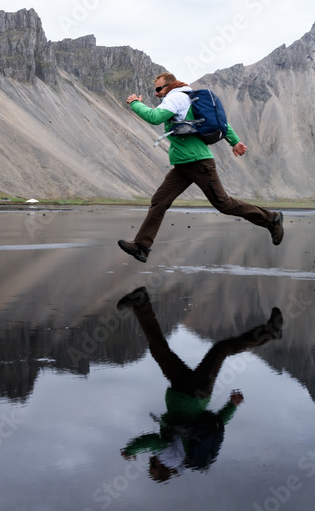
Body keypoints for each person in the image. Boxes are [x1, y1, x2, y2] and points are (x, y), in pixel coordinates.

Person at [116, 286, 283, 479]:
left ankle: (141, 302)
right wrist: (131, 449)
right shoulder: (171, 457)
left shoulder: (186, 453)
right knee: (219, 350)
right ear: (162, 468)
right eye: (152, 467)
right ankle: (270, 332)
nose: (150, 463)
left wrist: (232, 406)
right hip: (193, 393)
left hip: (184, 390)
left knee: (159, 350)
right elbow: (153, 442)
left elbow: (214, 425)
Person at [118, 72, 284, 263]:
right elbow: (222, 123)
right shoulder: (186, 99)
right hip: (183, 165)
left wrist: (134, 103)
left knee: (224, 204)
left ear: (170, 86)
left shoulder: (176, 98)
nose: (156, 94)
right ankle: (142, 246)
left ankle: (271, 219)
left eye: (158, 89)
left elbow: (155, 117)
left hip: (198, 163)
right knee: (159, 201)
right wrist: (235, 142)